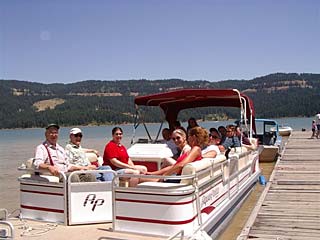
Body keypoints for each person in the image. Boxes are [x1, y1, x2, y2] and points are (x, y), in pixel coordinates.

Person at [144, 127, 209, 182]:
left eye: (189, 136)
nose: (188, 138)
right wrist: (153, 173)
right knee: (143, 178)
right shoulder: (193, 150)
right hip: (177, 177)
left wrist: (164, 176)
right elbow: (174, 166)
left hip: (178, 179)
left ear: (193, 137)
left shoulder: (196, 149)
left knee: (139, 179)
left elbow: (181, 164)